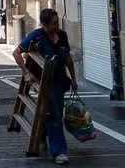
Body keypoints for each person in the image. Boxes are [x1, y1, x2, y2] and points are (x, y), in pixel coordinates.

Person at [12, 8, 78, 165]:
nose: (57, 25)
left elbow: (67, 56)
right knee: (54, 115)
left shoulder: (62, 35)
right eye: (54, 23)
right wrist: (26, 72)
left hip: (60, 80)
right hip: (44, 82)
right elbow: (16, 53)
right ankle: (59, 152)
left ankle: (42, 134)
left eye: (58, 22)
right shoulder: (36, 36)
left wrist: (73, 78)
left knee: (55, 112)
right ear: (44, 24)